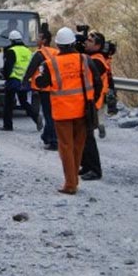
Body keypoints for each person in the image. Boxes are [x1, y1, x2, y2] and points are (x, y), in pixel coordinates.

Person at [35, 27, 102, 195]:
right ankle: (73, 180)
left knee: (66, 147)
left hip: (62, 112)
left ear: (58, 44)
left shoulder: (50, 64)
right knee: (78, 146)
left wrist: (38, 76)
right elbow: (98, 82)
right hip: (83, 111)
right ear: (73, 43)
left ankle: (70, 184)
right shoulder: (85, 59)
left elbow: (42, 84)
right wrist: (93, 101)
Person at [78, 31, 110, 181]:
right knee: (83, 136)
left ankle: (95, 170)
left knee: (88, 137)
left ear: (98, 45)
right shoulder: (91, 57)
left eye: (90, 41)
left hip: (92, 103)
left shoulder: (98, 61)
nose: (87, 42)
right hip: (88, 101)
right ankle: (86, 166)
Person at [23, 27, 59, 150]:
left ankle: (53, 141)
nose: (37, 39)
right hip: (57, 88)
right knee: (52, 114)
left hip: (44, 88)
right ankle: (46, 136)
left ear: (44, 40)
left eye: (39, 37)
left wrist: (24, 80)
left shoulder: (40, 53)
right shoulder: (56, 52)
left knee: (48, 115)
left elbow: (31, 69)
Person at [1, 30, 42, 132]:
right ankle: (36, 117)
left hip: (13, 79)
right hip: (24, 80)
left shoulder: (11, 51)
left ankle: (8, 125)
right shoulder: (27, 51)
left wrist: (6, 78)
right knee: (23, 102)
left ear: (11, 40)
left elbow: (8, 68)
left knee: (8, 103)